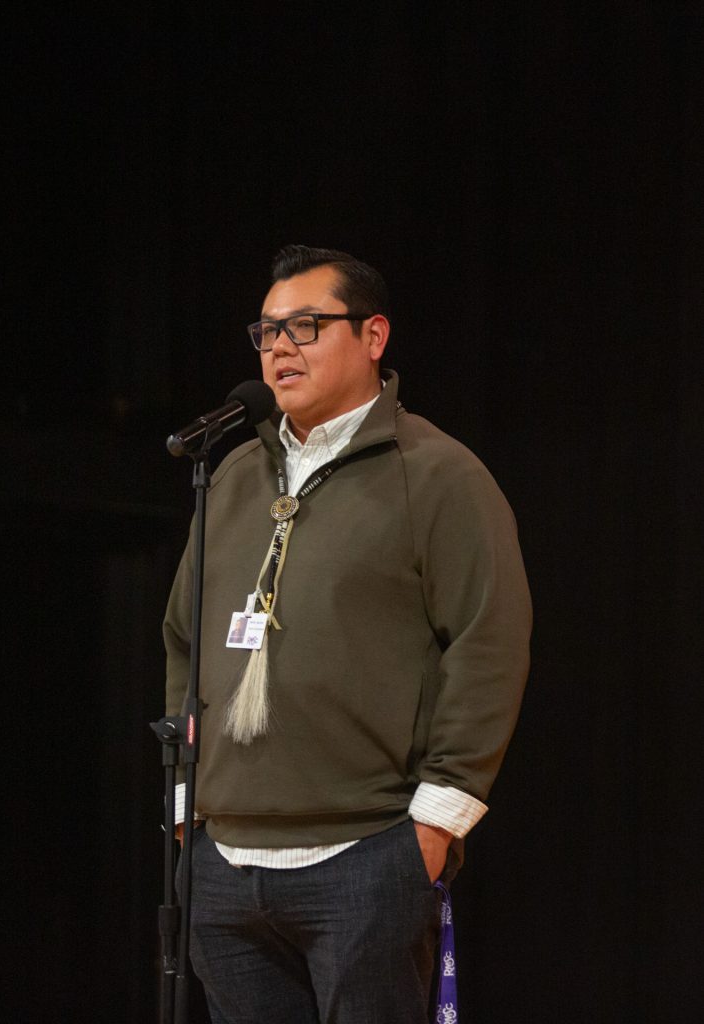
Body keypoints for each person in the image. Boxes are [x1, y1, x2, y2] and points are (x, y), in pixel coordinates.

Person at [163, 244, 532, 1024]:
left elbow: (487, 641)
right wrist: (185, 804)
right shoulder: (232, 474)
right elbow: (182, 638)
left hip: (365, 853)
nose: (280, 347)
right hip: (224, 860)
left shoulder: (437, 473)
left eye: (305, 325)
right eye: (266, 331)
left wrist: (436, 821)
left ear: (373, 336)